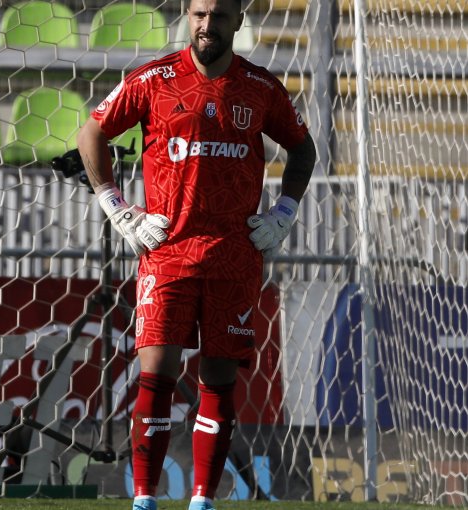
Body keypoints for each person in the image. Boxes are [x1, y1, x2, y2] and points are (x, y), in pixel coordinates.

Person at [75, 0, 316, 508]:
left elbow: (303, 147)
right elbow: (91, 132)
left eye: (220, 15)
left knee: (218, 382)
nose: (208, 25)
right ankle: (145, 498)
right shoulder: (154, 79)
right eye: (200, 14)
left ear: (238, 21)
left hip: (234, 256)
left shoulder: (262, 88)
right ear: (188, 15)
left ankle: (203, 500)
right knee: (155, 374)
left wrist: (284, 213)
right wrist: (118, 209)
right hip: (167, 251)